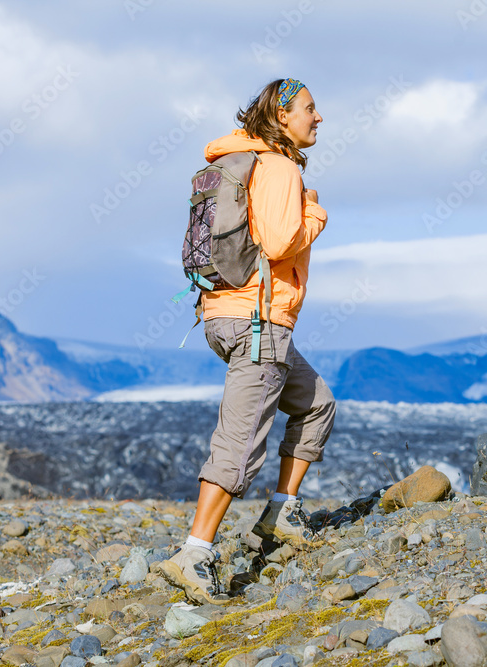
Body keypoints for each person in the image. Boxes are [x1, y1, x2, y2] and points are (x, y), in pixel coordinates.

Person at [159, 78, 336, 606]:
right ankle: (194, 553)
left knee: (316, 403)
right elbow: (282, 243)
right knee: (238, 444)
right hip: (259, 320)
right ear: (282, 116)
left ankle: (281, 510)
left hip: (228, 314)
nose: (318, 117)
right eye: (310, 108)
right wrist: (315, 213)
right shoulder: (278, 167)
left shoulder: (242, 162)